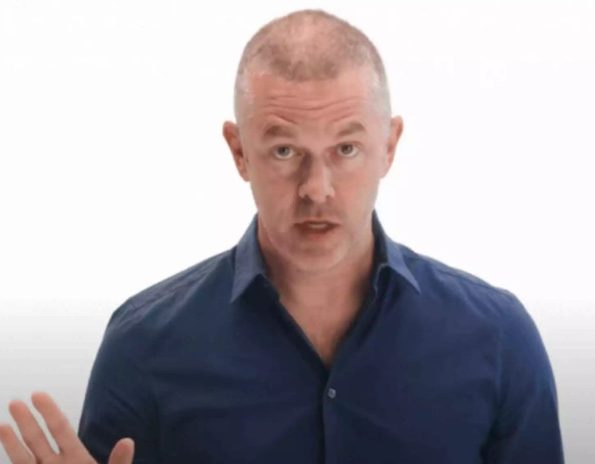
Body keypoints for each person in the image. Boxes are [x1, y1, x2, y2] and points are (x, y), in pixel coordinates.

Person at [0, 9, 564, 464]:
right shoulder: (143, 346)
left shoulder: (498, 339)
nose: (316, 189)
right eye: (285, 150)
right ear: (239, 151)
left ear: (389, 147)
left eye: (346, 148)